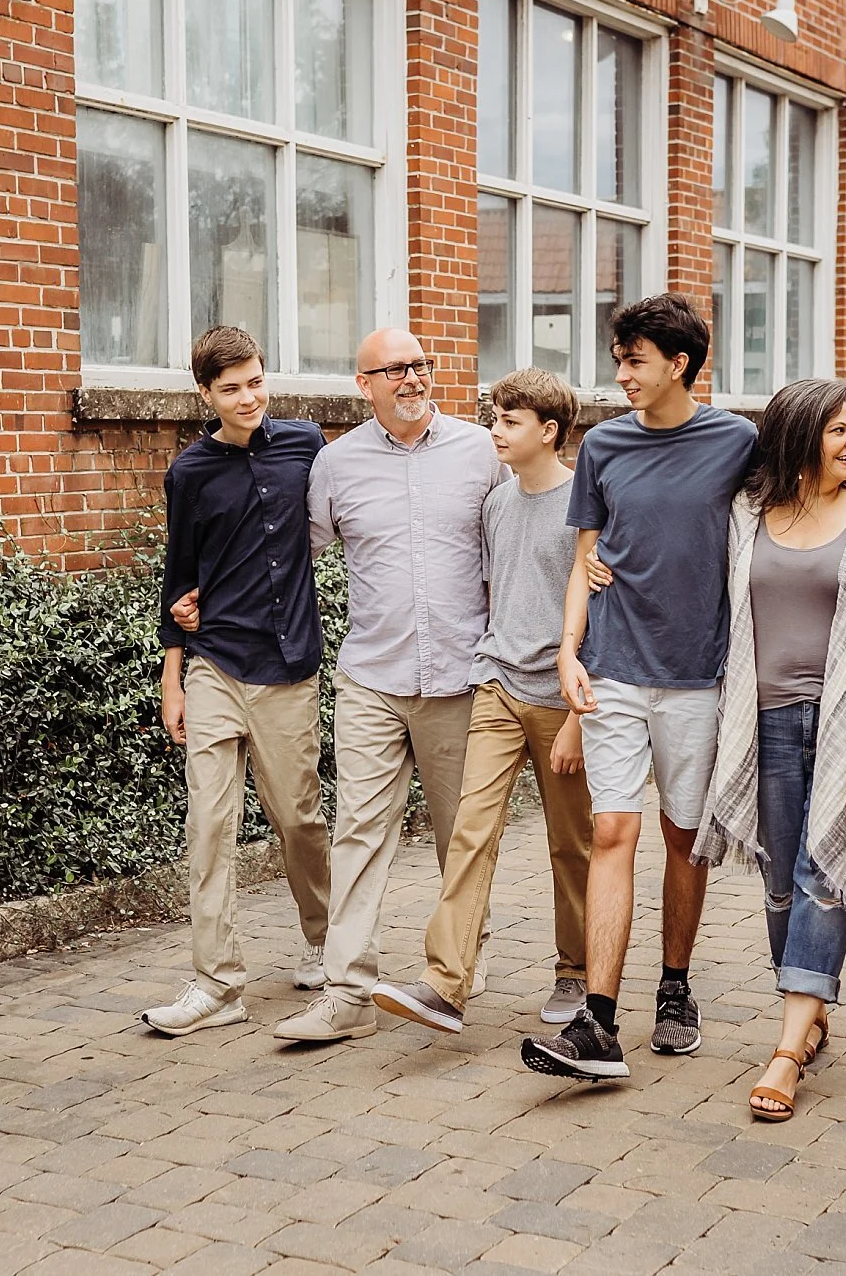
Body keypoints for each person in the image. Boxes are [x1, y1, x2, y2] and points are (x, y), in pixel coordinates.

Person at [520, 294, 756, 1080]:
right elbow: (588, 555)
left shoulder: (735, 442)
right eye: (618, 359)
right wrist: (569, 652)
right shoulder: (605, 446)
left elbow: (780, 525)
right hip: (615, 666)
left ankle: (677, 987)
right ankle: (598, 1019)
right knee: (614, 832)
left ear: (679, 364)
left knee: (684, 837)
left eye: (635, 360)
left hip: (698, 673)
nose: (620, 374)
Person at [694, 378, 846, 1121]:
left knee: (822, 869)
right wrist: (596, 566)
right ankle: (810, 1006)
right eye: (838, 430)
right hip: (761, 719)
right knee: (780, 877)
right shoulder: (747, 511)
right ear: (802, 435)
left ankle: (786, 1047)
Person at [273, 327, 506, 1042]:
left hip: (462, 678)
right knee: (358, 835)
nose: (411, 378)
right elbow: (295, 556)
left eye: (419, 365)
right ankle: (347, 992)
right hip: (372, 676)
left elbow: (515, 543)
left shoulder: (480, 450)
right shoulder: (334, 465)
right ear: (363, 383)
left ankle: (457, 975)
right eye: (394, 369)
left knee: (459, 839)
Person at [374, 369, 594, 1034]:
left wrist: (581, 718)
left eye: (509, 420)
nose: (494, 429)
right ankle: (445, 981)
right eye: (493, 416)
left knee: (572, 843)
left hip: (562, 698)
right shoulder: (497, 504)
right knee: (470, 829)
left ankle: (577, 972)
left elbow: (601, 614)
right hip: (497, 685)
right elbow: (501, 593)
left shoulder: (587, 505)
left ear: (548, 431)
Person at [140, 326, 334, 1036]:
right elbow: (178, 579)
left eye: (255, 381)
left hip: (288, 668)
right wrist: (174, 677)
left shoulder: (307, 445)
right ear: (205, 394)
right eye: (231, 388)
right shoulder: (189, 473)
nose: (248, 396)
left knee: (299, 820)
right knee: (209, 826)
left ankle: (323, 936)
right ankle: (217, 985)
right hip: (215, 662)